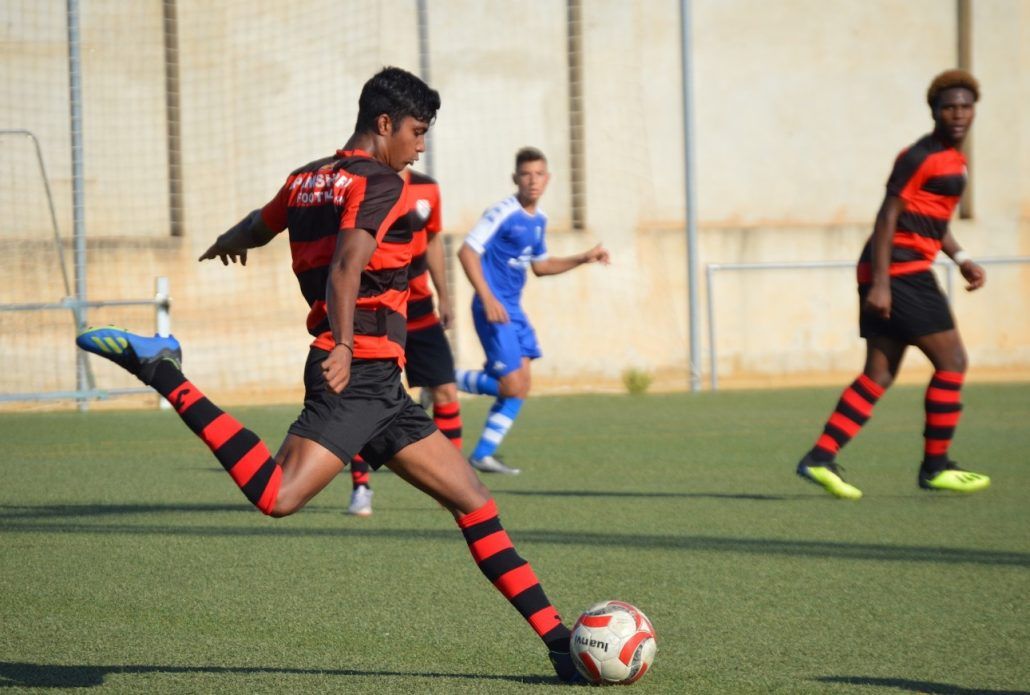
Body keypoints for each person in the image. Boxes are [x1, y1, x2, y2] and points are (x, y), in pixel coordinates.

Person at [75, 67, 582, 684]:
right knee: (276, 496)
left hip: (384, 389)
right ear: (385, 123)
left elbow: (259, 226)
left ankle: (561, 647)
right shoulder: (379, 182)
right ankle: (164, 371)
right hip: (356, 370)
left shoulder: (307, 177)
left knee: (475, 503)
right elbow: (347, 265)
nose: (420, 147)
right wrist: (342, 343)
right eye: (417, 133)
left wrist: (225, 241)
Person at [796, 69, 990, 500]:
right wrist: (881, 284)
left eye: (965, 106)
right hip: (898, 271)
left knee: (878, 374)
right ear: (934, 112)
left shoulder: (955, 159)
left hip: (894, 270)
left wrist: (960, 258)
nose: (957, 113)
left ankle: (819, 458)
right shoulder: (919, 156)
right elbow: (887, 216)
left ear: (973, 110)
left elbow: (931, 222)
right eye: (949, 107)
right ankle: (935, 467)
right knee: (953, 361)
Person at [456, 147, 609, 474]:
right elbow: (466, 252)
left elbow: (541, 266)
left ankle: (483, 454)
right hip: (492, 307)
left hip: (514, 310)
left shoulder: (539, 220)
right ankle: (440, 380)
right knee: (512, 385)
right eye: (526, 174)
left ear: (548, 179)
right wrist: (487, 297)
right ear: (516, 178)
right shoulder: (502, 212)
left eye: (539, 174)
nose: (533, 180)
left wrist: (583, 257)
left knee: (521, 385)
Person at [346, 167, 463, 517]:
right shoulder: (363, 186)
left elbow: (431, 241)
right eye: (413, 132)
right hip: (375, 312)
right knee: (362, 401)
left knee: (446, 391)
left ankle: (452, 485)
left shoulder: (427, 188)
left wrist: (446, 296)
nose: (418, 143)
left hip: (420, 310)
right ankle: (361, 488)